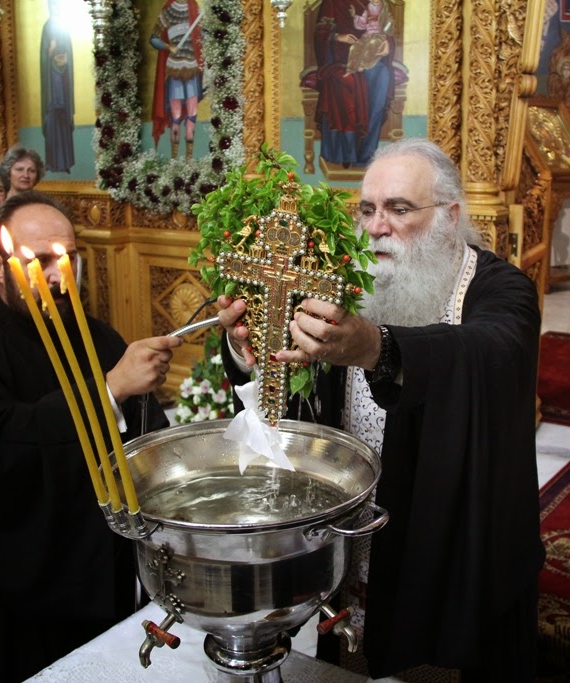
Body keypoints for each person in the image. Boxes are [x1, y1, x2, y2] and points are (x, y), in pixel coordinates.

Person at [218, 138, 544, 680]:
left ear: (449, 216)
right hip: (350, 542)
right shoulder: (350, 284)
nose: (375, 226)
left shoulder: (498, 289)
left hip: (444, 546)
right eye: (367, 209)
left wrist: (376, 347)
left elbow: (492, 351)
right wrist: (251, 345)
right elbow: (303, 395)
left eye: (399, 209)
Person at [0, 191, 183, 682]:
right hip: (11, 595)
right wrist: (109, 390)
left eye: (67, 258)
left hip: (98, 576)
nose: (58, 276)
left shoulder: (98, 337)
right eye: (37, 261)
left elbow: (145, 445)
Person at [312, 0, 395, 168]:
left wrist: (388, 43)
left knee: (382, 75)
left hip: (370, 56)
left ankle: (366, 153)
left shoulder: (376, 2)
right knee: (348, 82)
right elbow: (319, 32)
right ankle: (346, 152)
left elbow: (387, 25)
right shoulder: (332, 3)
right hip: (339, 61)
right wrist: (337, 36)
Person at [150, 0, 203, 159]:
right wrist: (167, 47)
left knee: (192, 113)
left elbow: (202, 35)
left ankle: (189, 159)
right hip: (174, 69)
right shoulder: (168, 10)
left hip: (192, 69)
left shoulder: (195, 8)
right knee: (176, 115)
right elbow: (153, 39)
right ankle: (174, 159)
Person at [40, 0, 75, 173]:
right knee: (53, 120)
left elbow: (68, 52)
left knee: (63, 120)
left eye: (56, 4)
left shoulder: (64, 27)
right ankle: (53, 164)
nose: (54, 8)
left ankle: (66, 163)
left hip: (62, 80)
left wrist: (63, 58)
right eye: (51, 5)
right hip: (52, 84)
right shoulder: (47, 27)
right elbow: (44, 56)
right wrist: (51, 51)